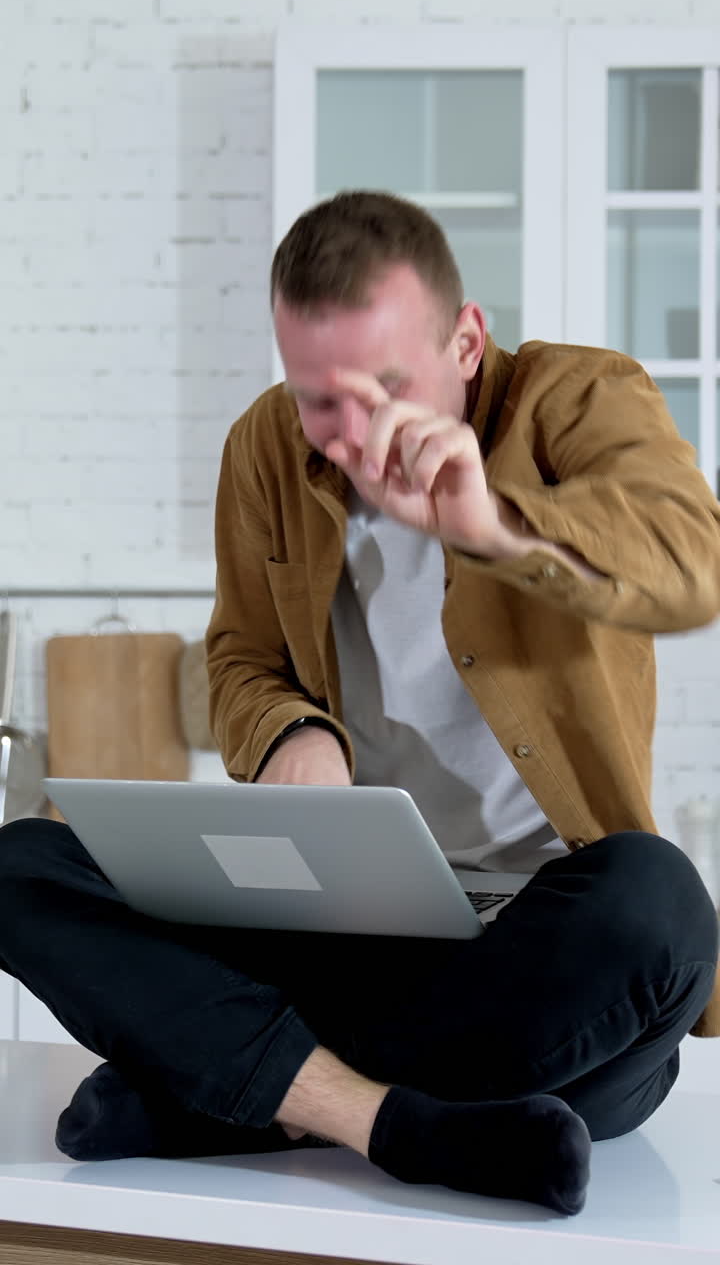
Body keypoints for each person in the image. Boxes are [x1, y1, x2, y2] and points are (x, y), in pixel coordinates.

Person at [1, 192, 719, 1218]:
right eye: (318, 400)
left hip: (537, 950)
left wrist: (492, 523)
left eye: (386, 390)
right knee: (22, 863)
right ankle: (389, 1123)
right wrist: (291, 732)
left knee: (662, 910)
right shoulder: (263, 447)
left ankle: (231, 1091)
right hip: (344, 932)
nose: (353, 436)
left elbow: (693, 563)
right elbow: (241, 657)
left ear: (466, 341)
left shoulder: (582, 396)